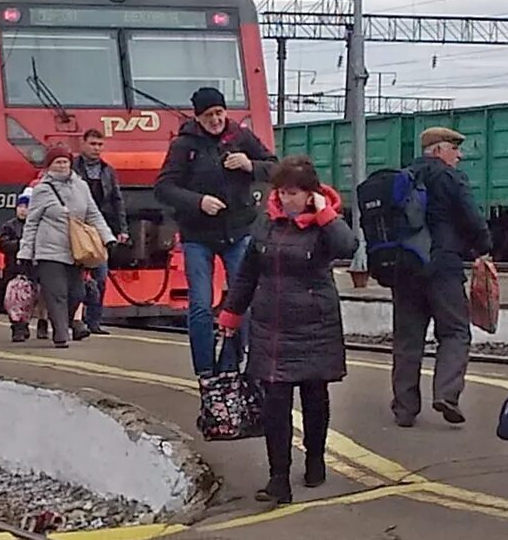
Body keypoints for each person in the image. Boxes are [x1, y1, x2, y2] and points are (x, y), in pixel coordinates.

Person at [216, 157, 354, 504]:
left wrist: (326, 215)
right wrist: (231, 314)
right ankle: (278, 477)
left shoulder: (326, 225)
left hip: (314, 324)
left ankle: (315, 459)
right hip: (271, 326)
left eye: (293, 193)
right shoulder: (266, 224)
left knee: (314, 397)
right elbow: (248, 272)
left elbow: (347, 247)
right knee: (275, 404)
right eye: (281, 191)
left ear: (311, 194)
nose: (285, 198)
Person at [156, 85, 275, 375]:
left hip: (238, 230)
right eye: (209, 114)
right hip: (198, 235)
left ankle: (233, 364)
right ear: (198, 117)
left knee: (240, 300)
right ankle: (205, 370)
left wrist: (250, 165)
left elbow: (275, 166)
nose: (216, 119)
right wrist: (198, 202)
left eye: (220, 112)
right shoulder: (184, 145)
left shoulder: (241, 136)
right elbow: (164, 187)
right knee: (200, 303)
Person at [386, 125, 488, 429]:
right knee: (455, 331)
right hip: (443, 267)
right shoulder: (449, 177)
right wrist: (484, 247)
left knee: (407, 340)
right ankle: (446, 394)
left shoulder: (403, 177)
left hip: (406, 269)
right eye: (455, 149)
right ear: (439, 149)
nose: (458, 156)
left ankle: (404, 408)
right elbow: (471, 217)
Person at [13, 148, 105, 349]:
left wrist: (108, 238)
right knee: (57, 293)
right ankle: (61, 336)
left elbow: (93, 214)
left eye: (65, 162)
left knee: (77, 293)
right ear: (49, 166)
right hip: (49, 251)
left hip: (75, 249)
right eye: (58, 163)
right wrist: (26, 253)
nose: (62, 166)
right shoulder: (42, 190)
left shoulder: (81, 187)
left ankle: (66, 323)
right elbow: (32, 223)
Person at [69, 129, 127, 337]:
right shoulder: (71, 168)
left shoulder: (108, 171)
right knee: (75, 276)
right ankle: (74, 320)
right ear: (83, 144)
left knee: (100, 276)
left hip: (99, 228)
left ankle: (94, 320)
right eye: (92, 144)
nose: (96, 148)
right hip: (75, 227)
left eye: (99, 145)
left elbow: (116, 200)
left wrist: (121, 229)